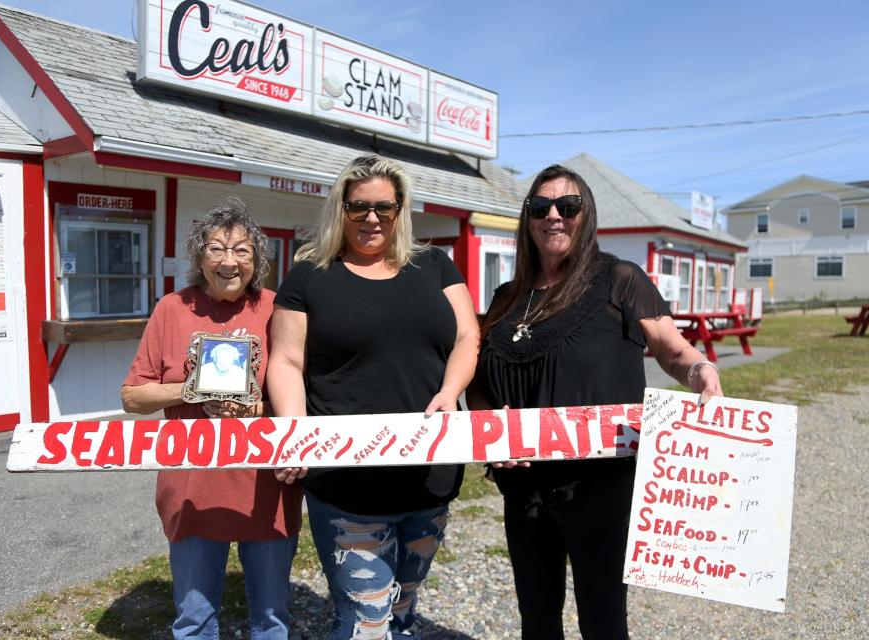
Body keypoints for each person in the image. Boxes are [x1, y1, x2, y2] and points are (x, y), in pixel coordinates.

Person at [467, 165, 724, 640]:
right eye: (540, 207)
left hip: (602, 486)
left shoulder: (619, 280)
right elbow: (479, 382)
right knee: (537, 620)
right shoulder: (506, 298)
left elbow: (672, 350)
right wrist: (488, 426)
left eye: (568, 207)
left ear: (586, 216)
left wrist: (700, 370)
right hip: (523, 488)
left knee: (603, 622)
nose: (554, 217)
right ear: (527, 218)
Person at [267, 154, 479, 640]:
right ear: (339, 208)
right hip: (348, 485)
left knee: (403, 612)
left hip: (429, 479)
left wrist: (450, 392)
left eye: (384, 207)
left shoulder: (435, 266)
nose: (371, 218)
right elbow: (286, 360)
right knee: (366, 623)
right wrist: (295, 432)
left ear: (401, 210)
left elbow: (469, 337)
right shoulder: (309, 275)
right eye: (358, 206)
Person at [120, 199, 302, 640]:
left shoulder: (278, 308)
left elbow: (300, 387)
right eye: (217, 249)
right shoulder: (172, 309)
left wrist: (260, 407)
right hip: (193, 487)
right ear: (200, 256)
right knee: (194, 620)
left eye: (242, 250)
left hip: (266, 487)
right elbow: (132, 397)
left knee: (272, 620)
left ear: (257, 259)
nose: (229, 261)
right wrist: (193, 392)